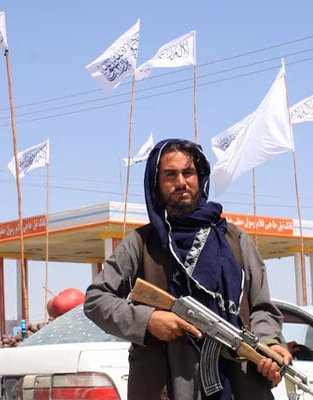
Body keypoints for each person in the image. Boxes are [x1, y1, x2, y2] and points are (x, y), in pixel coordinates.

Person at [84, 138, 292, 400]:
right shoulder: (142, 244)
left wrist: (270, 345)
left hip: (240, 384)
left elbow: (262, 308)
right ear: (156, 184)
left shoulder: (235, 240)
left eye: (188, 172)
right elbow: (96, 299)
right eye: (170, 175)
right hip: (164, 385)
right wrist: (149, 320)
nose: (181, 182)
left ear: (200, 177)